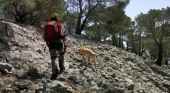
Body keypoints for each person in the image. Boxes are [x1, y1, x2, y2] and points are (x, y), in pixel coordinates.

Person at [43, 13, 66, 80]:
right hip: (58, 42)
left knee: (53, 58)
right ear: (56, 18)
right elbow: (61, 34)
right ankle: (61, 67)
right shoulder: (58, 24)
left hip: (50, 43)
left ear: (51, 18)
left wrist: (48, 41)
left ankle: (54, 74)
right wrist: (64, 39)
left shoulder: (46, 25)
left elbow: (44, 36)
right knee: (61, 54)